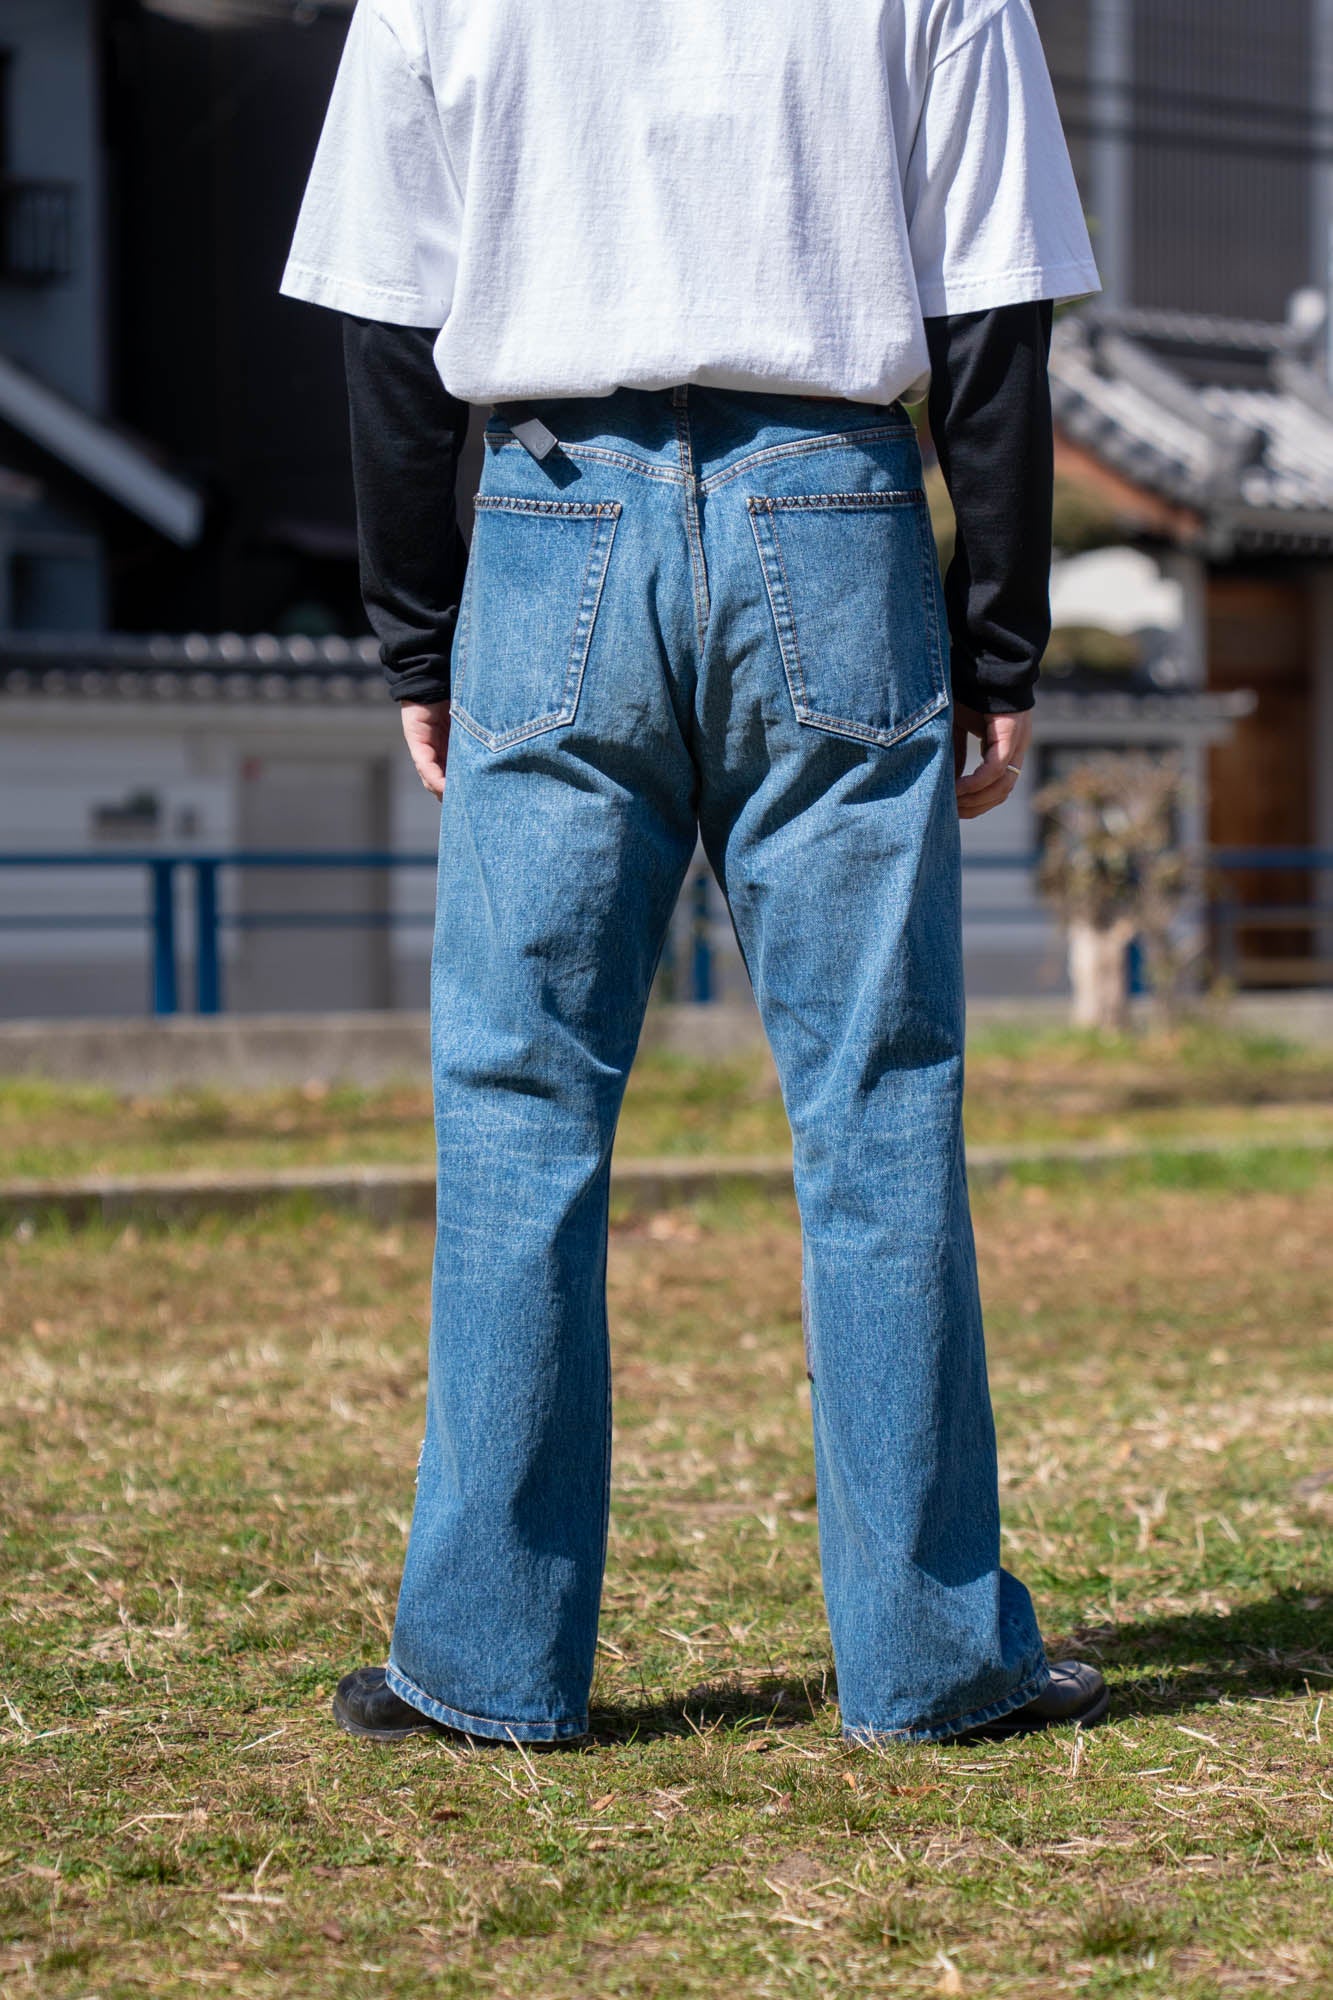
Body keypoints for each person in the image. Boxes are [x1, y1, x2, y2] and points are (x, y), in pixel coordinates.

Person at [281, 0, 1108, 1747]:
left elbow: (383, 313)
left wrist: (421, 642)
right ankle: (934, 1666)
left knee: (517, 1104)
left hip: (549, 514)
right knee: (877, 1100)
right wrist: (1001, 644)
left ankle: (487, 1667)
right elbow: (988, 312)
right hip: (836, 512)